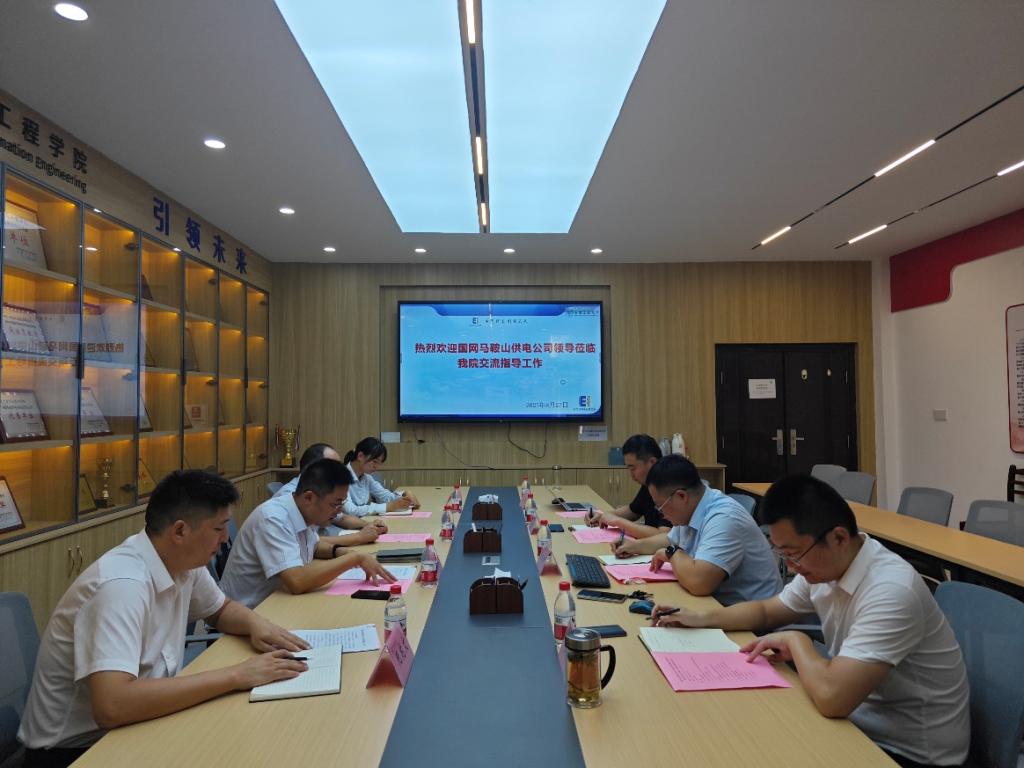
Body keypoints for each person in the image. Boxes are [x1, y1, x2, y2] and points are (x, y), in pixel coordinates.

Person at [652, 475, 970, 768]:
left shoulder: (891, 590)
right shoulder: (825, 566)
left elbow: (832, 698)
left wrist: (797, 641)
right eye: (783, 555)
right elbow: (767, 611)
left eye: (794, 554)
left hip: (909, 752)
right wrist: (700, 618)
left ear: (839, 538)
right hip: (858, 721)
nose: (792, 567)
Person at [17, 471, 310, 767]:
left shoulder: (183, 562)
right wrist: (236, 675)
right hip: (78, 752)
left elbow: (220, 610)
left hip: (136, 726)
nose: (225, 539)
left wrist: (258, 625)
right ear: (180, 531)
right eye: (219, 528)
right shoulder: (121, 587)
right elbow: (112, 705)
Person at [220, 458, 396, 609]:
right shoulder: (273, 518)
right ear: (309, 498)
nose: (339, 511)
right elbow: (297, 581)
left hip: (279, 603)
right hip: (249, 613)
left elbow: (315, 546)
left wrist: (340, 552)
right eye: (335, 503)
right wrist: (355, 558)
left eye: (342, 503)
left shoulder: (304, 512)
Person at [614, 455, 781, 605]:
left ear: (681, 496)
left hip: (754, 619)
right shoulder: (693, 507)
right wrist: (634, 546)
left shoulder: (723, 518)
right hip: (720, 606)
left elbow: (699, 583)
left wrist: (672, 553)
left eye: (660, 506)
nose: (661, 513)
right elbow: (668, 539)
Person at [275, 442, 387, 537]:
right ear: (314, 469)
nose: (339, 472)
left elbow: (341, 518)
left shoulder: (322, 490)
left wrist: (368, 525)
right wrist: (359, 537)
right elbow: (316, 544)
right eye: (334, 468)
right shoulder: (289, 499)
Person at [583, 434, 671, 538]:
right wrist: (603, 516)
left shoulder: (669, 484)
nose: (631, 474)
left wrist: (618, 521)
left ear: (652, 462)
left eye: (633, 468)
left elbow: (665, 536)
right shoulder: (649, 483)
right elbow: (633, 511)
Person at [341, 436, 420, 517]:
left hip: (362, 521)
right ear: (360, 456)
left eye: (379, 463)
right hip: (346, 524)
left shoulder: (366, 478)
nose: (377, 467)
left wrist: (404, 495)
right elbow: (350, 511)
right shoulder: (341, 477)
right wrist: (387, 507)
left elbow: (385, 496)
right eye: (375, 462)